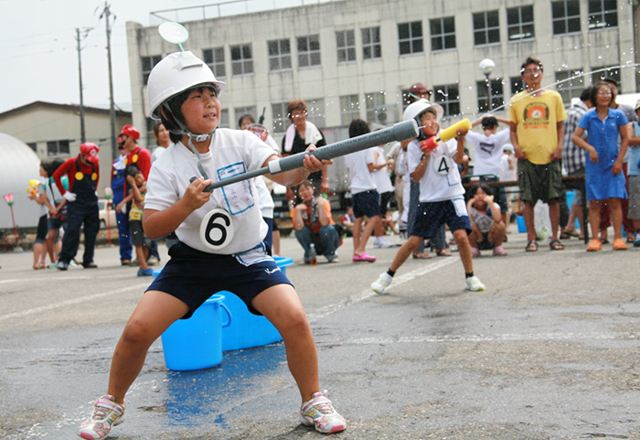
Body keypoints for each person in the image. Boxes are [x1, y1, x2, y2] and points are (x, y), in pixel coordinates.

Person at [77, 50, 345, 440]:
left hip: (249, 256)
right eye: (197, 96)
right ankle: (109, 406)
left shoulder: (240, 142)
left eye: (211, 93)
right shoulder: (167, 164)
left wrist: (303, 165)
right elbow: (151, 227)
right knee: (136, 329)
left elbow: (282, 172)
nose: (210, 102)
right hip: (193, 263)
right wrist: (185, 205)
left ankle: (313, 401)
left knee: (295, 319)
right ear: (170, 111)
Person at [371, 99, 485, 294]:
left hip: (453, 195)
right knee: (414, 241)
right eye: (427, 119)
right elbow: (415, 176)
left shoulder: (444, 137)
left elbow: (458, 159)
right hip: (430, 200)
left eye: (434, 119)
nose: (433, 123)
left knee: (461, 236)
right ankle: (387, 276)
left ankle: (470, 276)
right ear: (418, 125)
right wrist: (426, 154)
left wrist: (460, 139)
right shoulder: (414, 147)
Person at [509, 56, 568, 252]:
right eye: (528, 71)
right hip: (527, 157)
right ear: (523, 77)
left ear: (542, 74)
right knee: (527, 200)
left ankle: (554, 237)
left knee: (554, 198)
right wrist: (516, 147)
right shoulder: (516, 100)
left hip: (551, 156)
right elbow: (513, 128)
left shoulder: (554, 97)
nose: (533, 74)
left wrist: (560, 147)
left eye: (536, 70)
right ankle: (531, 238)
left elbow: (560, 125)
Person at [571, 81, 629, 251]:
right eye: (601, 93)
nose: (605, 95)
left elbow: (626, 138)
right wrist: (590, 148)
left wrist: (619, 160)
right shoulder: (588, 116)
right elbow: (576, 137)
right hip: (595, 166)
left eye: (608, 92)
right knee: (595, 203)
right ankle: (595, 239)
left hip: (614, 164)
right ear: (594, 97)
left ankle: (617, 238)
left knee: (615, 201)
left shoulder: (618, 115)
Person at [597, 77, 637, 243]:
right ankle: (604, 231)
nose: (608, 93)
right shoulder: (595, 113)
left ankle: (629, 230)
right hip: (602, 160)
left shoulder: (625, 111)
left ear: (616, 91)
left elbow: (632, 134)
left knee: (624, 197)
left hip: (624, 158)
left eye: (611, 89)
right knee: (603, 198)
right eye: (603, 90)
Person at [52, 142, 100, 270]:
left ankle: (88, 259)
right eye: (88, 160)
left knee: (92, 231)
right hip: (76, 202)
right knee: (72, 230)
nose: (90, 163)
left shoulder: (95, 163)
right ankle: (64, 259)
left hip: (91, 202)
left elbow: (97, 176)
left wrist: (94, 190)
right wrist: (64, 193)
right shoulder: (72, 162)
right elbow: (56, 175)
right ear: (82, 155)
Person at [119, 125, 160, 266]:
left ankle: (153, 254)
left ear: (130, 138)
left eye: (123, 136)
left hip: (144, 198)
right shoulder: (128, 156)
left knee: (148, 227)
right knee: (137, 230)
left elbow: (148, 181)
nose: (121, 139)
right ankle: (142, 256)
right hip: (134, 198)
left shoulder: (142, 153)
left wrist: (132, 193)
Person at [466, 115, 512, 227]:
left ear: (482, 127)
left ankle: (477, 228)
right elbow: (514, 124)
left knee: (479, 205)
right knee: (501, 205)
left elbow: (463, 129)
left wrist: (478, 121)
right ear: (495, 126)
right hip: (496, 176)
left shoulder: (477, 138)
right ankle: (503, 231)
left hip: (480, 177)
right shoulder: (499, 138)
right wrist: (498, 117)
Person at [344, 119, 380, 263]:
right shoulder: (367, 146)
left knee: (358, 219)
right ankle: (361, 249)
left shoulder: (348, 148)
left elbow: (349, 169)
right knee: (374, 217)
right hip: (367, 187)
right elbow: (371, 167)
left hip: (355, 188)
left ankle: (356, 251)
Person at [560, 87, 593, 240]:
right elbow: (586, 137)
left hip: (569, 158)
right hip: (580, 157)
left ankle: (570, 225)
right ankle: (584, 231)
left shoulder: (569, 111)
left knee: (579, 193)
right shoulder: (583, 114)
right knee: (582, 195)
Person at [281, 100, 328, 199]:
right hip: (296, 180)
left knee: (318, 207)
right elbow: (286, 164)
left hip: (315, 178)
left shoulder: (316, 133)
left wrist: (325, 180)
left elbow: (325, 157)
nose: (300, 116)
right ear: (291, 117)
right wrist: (288, 188)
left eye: (302, 113)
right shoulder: (287, 138)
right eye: (296, 114)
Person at [116, 165, 153, 276]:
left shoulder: (148, 184)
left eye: (139, 177)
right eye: (135, 180)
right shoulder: (132, 189)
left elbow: (141, 193)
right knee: (138, 243)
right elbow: (138, 198)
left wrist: (123, 202)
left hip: (146, 218)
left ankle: (143, 266)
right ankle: (145, 266)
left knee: (147, 243)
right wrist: (132, 184)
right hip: (135, 218)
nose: (138, 180)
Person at [292, 180, 341, 263]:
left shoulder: (323, 202)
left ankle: (331, 254)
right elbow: (299, 227)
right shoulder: (297, 208)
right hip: (313, 241)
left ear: (313, 190)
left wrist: (321, 205)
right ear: (298, 194)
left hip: (328, 239)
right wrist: (298, 210)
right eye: (301, 191)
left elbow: (325, 223)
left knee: (327, 229)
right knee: (298, 232)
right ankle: (309, 254)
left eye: (307, 189)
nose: (305, 192)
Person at [467, 183, 508, 257]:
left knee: (500, 224)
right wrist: (469, 204)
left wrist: (490, 202)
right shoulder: (471, 209)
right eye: (476, 194)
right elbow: (467, 221)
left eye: (483, 193)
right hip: (477, 237)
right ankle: (474, 248)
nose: (480, 196)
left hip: (492, 236)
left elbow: (498, 219)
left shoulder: (494, 206)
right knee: (468, 225)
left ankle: (497, 247)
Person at [41, 158, 67, 267]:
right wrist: (57, 209)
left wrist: (52, 209)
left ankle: (53, 260)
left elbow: (44, 198)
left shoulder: (48, 181)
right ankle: (65, 258)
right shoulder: (65, 180)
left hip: (52, 212)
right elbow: (67, 196)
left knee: (51, 236)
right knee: (68, 234)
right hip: (64, 210)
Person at [371, 143, 397, 248]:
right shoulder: (375, 150)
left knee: (382, 214)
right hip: (380, 187)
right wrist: (386, 164)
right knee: (379, 214)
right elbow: (373, 166)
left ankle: (380, 237)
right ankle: (379, 238)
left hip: (384, 186)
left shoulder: (380, 151)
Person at [111, 141, 132, 265]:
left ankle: (146, 254)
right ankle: (125, 255)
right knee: (122, 229)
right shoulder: (116, 163)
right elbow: (113, 182)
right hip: (119, 198)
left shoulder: (134, 158)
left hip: (132, 196)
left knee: (137, 227)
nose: (122, 150)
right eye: (120, 148)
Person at [26, 172, 49, 269]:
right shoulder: (52, 181)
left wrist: (34, 196)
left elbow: (42, 200)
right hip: (52, 213)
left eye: (41, 168)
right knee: (48, 239)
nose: (40, 170)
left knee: (40, 238)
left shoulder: (43, 183)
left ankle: (36, 263)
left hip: (46, 214)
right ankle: (43, 262)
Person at [626, 98, 640, 246]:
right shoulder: (632, 125)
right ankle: (638, 231)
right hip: (636, 170)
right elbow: (630, 139)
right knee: (636, 203)